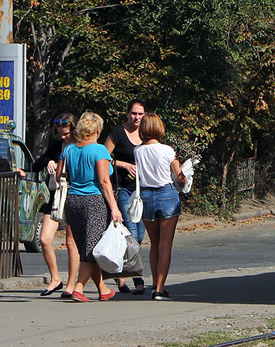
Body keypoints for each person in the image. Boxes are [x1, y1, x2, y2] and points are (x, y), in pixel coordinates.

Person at [63, 111, 123, 302]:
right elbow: (105, 182)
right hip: (94, 202)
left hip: (72, 200)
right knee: (92, 249)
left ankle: (103, 289)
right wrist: (114, 207)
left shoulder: (70, 149)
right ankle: (78, 288)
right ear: (98, 130)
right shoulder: (99, 150)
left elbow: (59, 176)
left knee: (87, 247)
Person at [134, 113, 187, 301]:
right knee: (165, 245)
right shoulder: (167, 151)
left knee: (154, 244)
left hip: (146, 196)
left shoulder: (137, 151)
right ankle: (160, 288)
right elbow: (180, 177)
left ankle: (155, 283)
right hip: (166, 195)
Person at [32, 112, 80, 298]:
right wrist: (49, 161)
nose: (63, 136)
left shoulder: (79, 147)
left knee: (71, 243)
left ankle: (71, 284)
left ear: (74, 131)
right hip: (56, 198)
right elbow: (36, 165)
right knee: (44, 239)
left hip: (74, 195)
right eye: (60, 133)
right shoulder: (57, 147)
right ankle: (55, 278)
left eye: (66, 133)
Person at [105, 100, 147, 294]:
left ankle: (121, 274)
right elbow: (103, 157)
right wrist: (123, 165)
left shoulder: (147, 133)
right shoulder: (118, 133)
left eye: (140, 114)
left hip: (143, 191)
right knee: (131, 234)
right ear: (127, 113)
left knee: (139, 236)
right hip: (124, 190)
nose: (136, 117)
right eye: (133, 113)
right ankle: (137, 280)